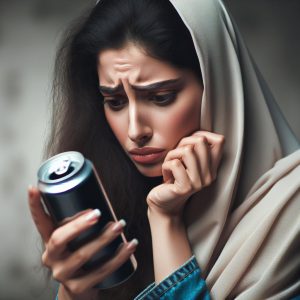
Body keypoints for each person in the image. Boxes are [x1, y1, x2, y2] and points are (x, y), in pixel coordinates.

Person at [28, 0, 300, 299]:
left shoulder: (292, 207)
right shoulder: (114, 204)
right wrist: (75, 291)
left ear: (218, 84)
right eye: (115, 102)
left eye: (160, 97)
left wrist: (165, 220)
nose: (135, 131)